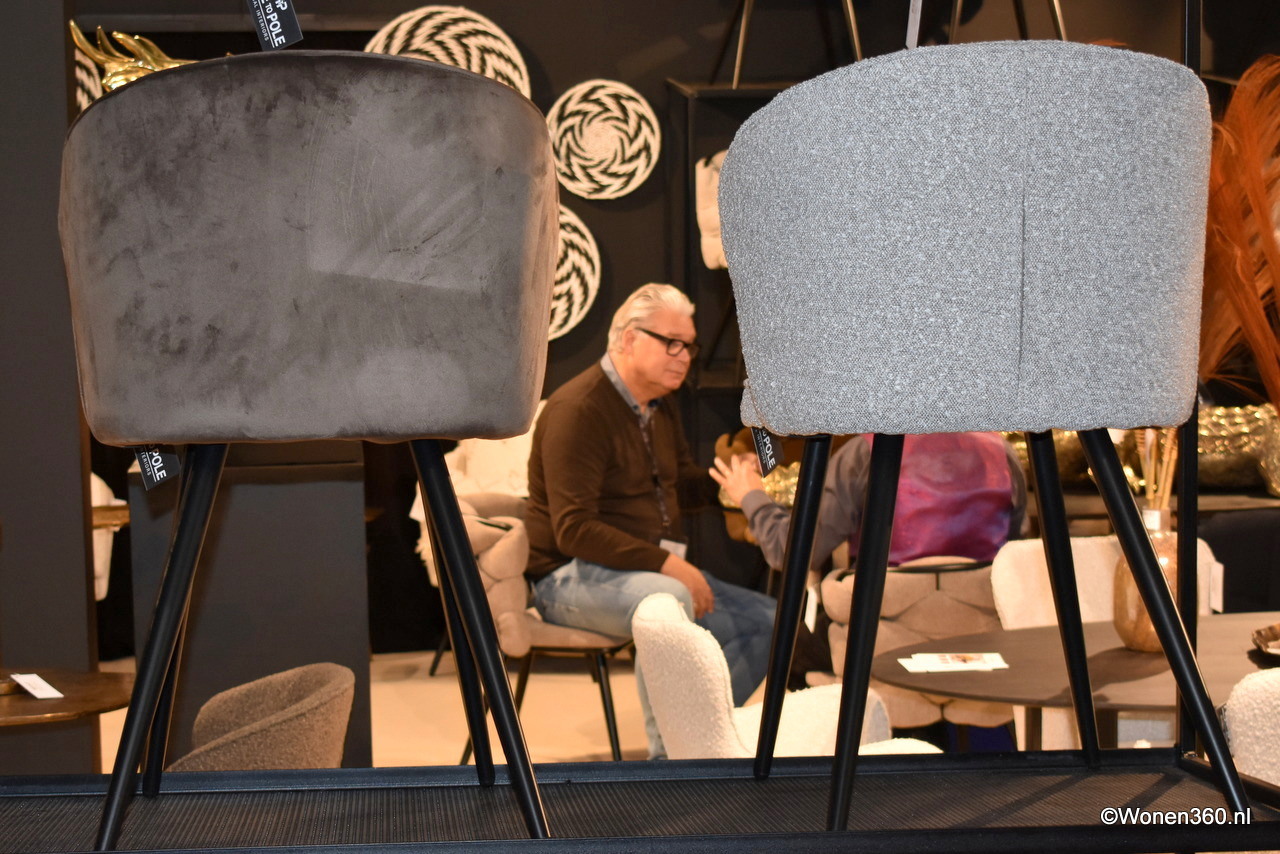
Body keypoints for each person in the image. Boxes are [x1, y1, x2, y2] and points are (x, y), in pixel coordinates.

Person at [525, 283, 777, 757]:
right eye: (672, 343)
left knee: (771, 622)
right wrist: (670, 566)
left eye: (690, 346)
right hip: (564, 577)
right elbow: (573, 530)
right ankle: (667, 762)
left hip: (646, 569)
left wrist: (733, 482)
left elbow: (680, 486)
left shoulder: (659, 405)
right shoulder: (577, 409)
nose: (684, 358)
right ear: (628, 339)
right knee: (667, 598)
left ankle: (699, 738)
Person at [711, 433, 1027, 576]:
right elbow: (1014, 551)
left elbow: (792, 553)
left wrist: (751, 495)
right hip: (982, 627)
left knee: (779, 640)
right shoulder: (1003, 453)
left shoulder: (865, 452)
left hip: (883, 628)